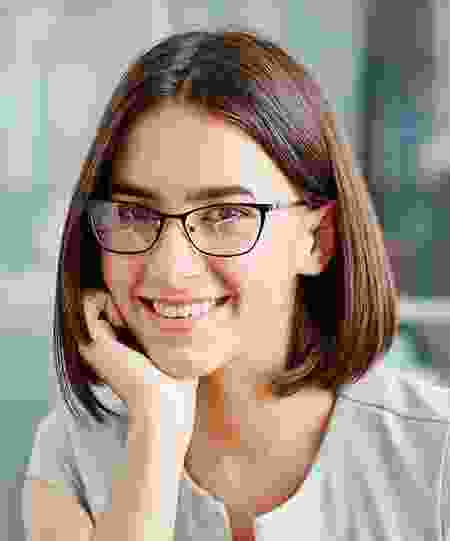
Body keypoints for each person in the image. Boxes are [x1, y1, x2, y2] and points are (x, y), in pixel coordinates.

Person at [21, 25, 450, 541]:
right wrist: (156, 432)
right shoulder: (73, 452)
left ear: (317, 240)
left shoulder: (436, 456)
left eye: (225, 214)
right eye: (134, 212)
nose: (171, 268)